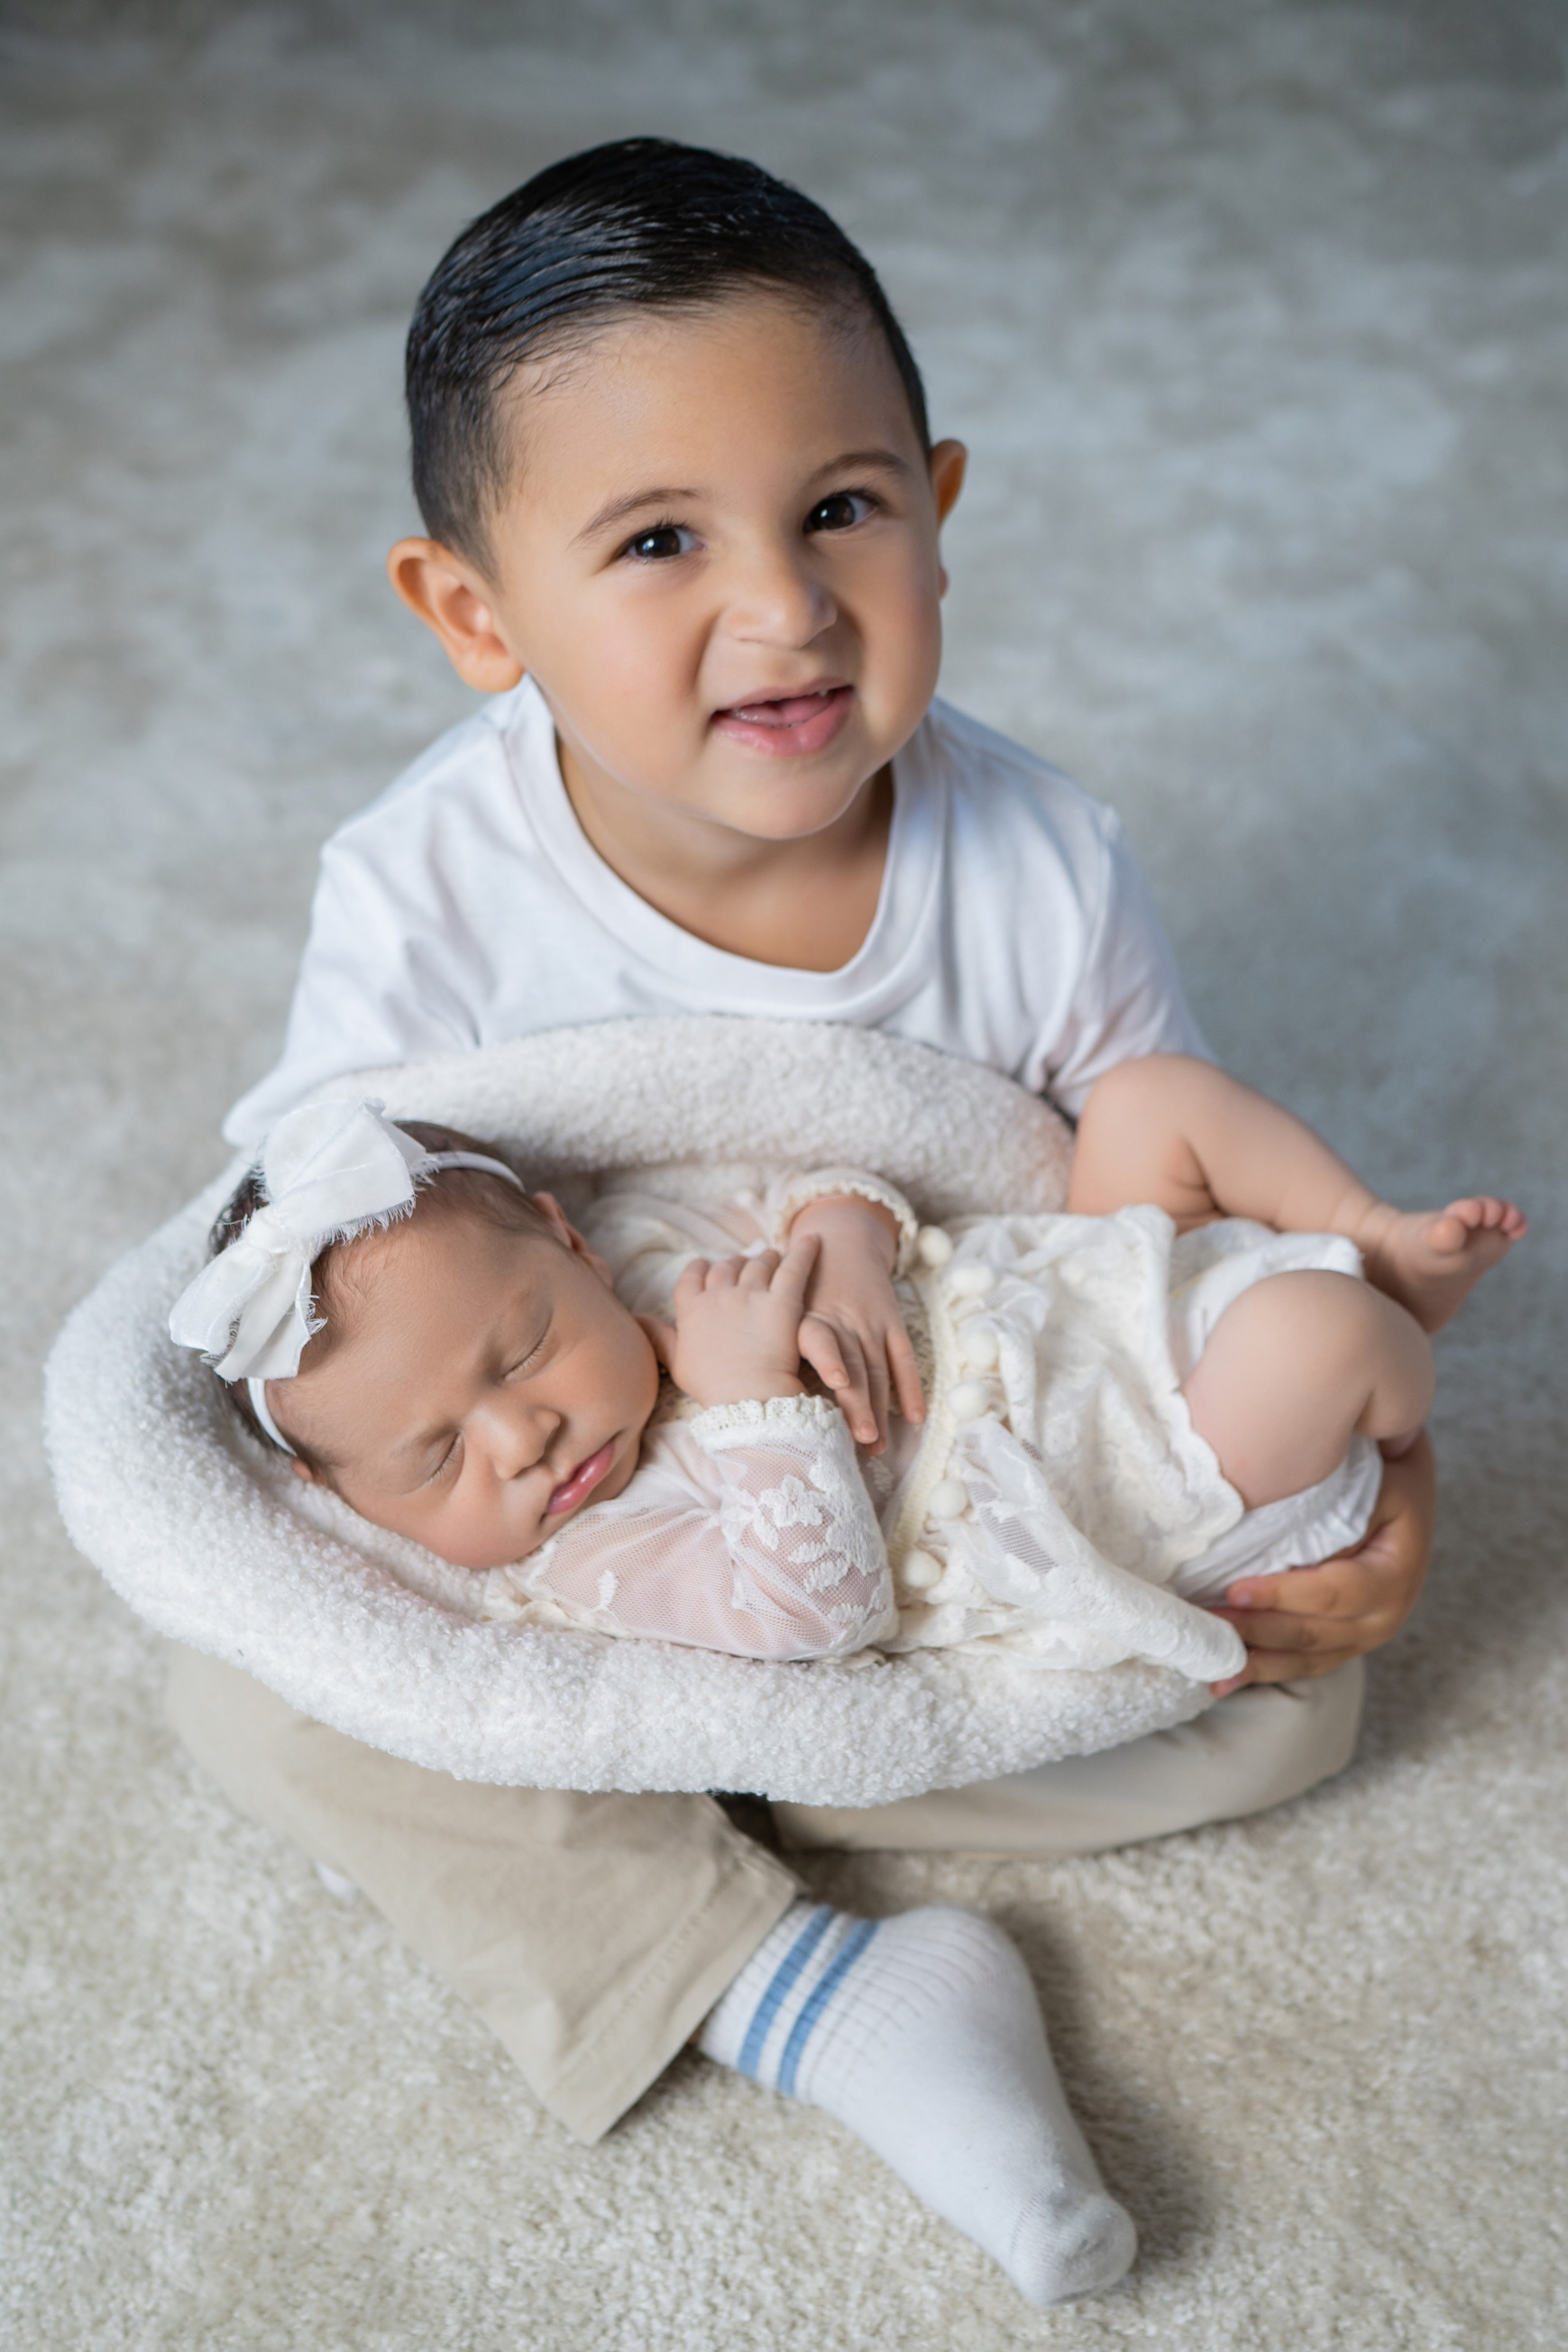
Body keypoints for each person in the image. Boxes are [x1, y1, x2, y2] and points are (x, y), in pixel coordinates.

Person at [164, 138, 1452, 2301]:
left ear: (940, 504)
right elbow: (339, 1273)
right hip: (592, 1490)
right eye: (659, 540)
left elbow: (1146, 1210)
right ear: (474, 615)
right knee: (245, 1676)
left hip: (960, 1462)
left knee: (1299, 1707)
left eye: (843, 507)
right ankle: (805, 1986)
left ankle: (705, 1764)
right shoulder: (427, 896)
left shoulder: (1037, 863)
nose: (782, 607)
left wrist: (1362, 1461)